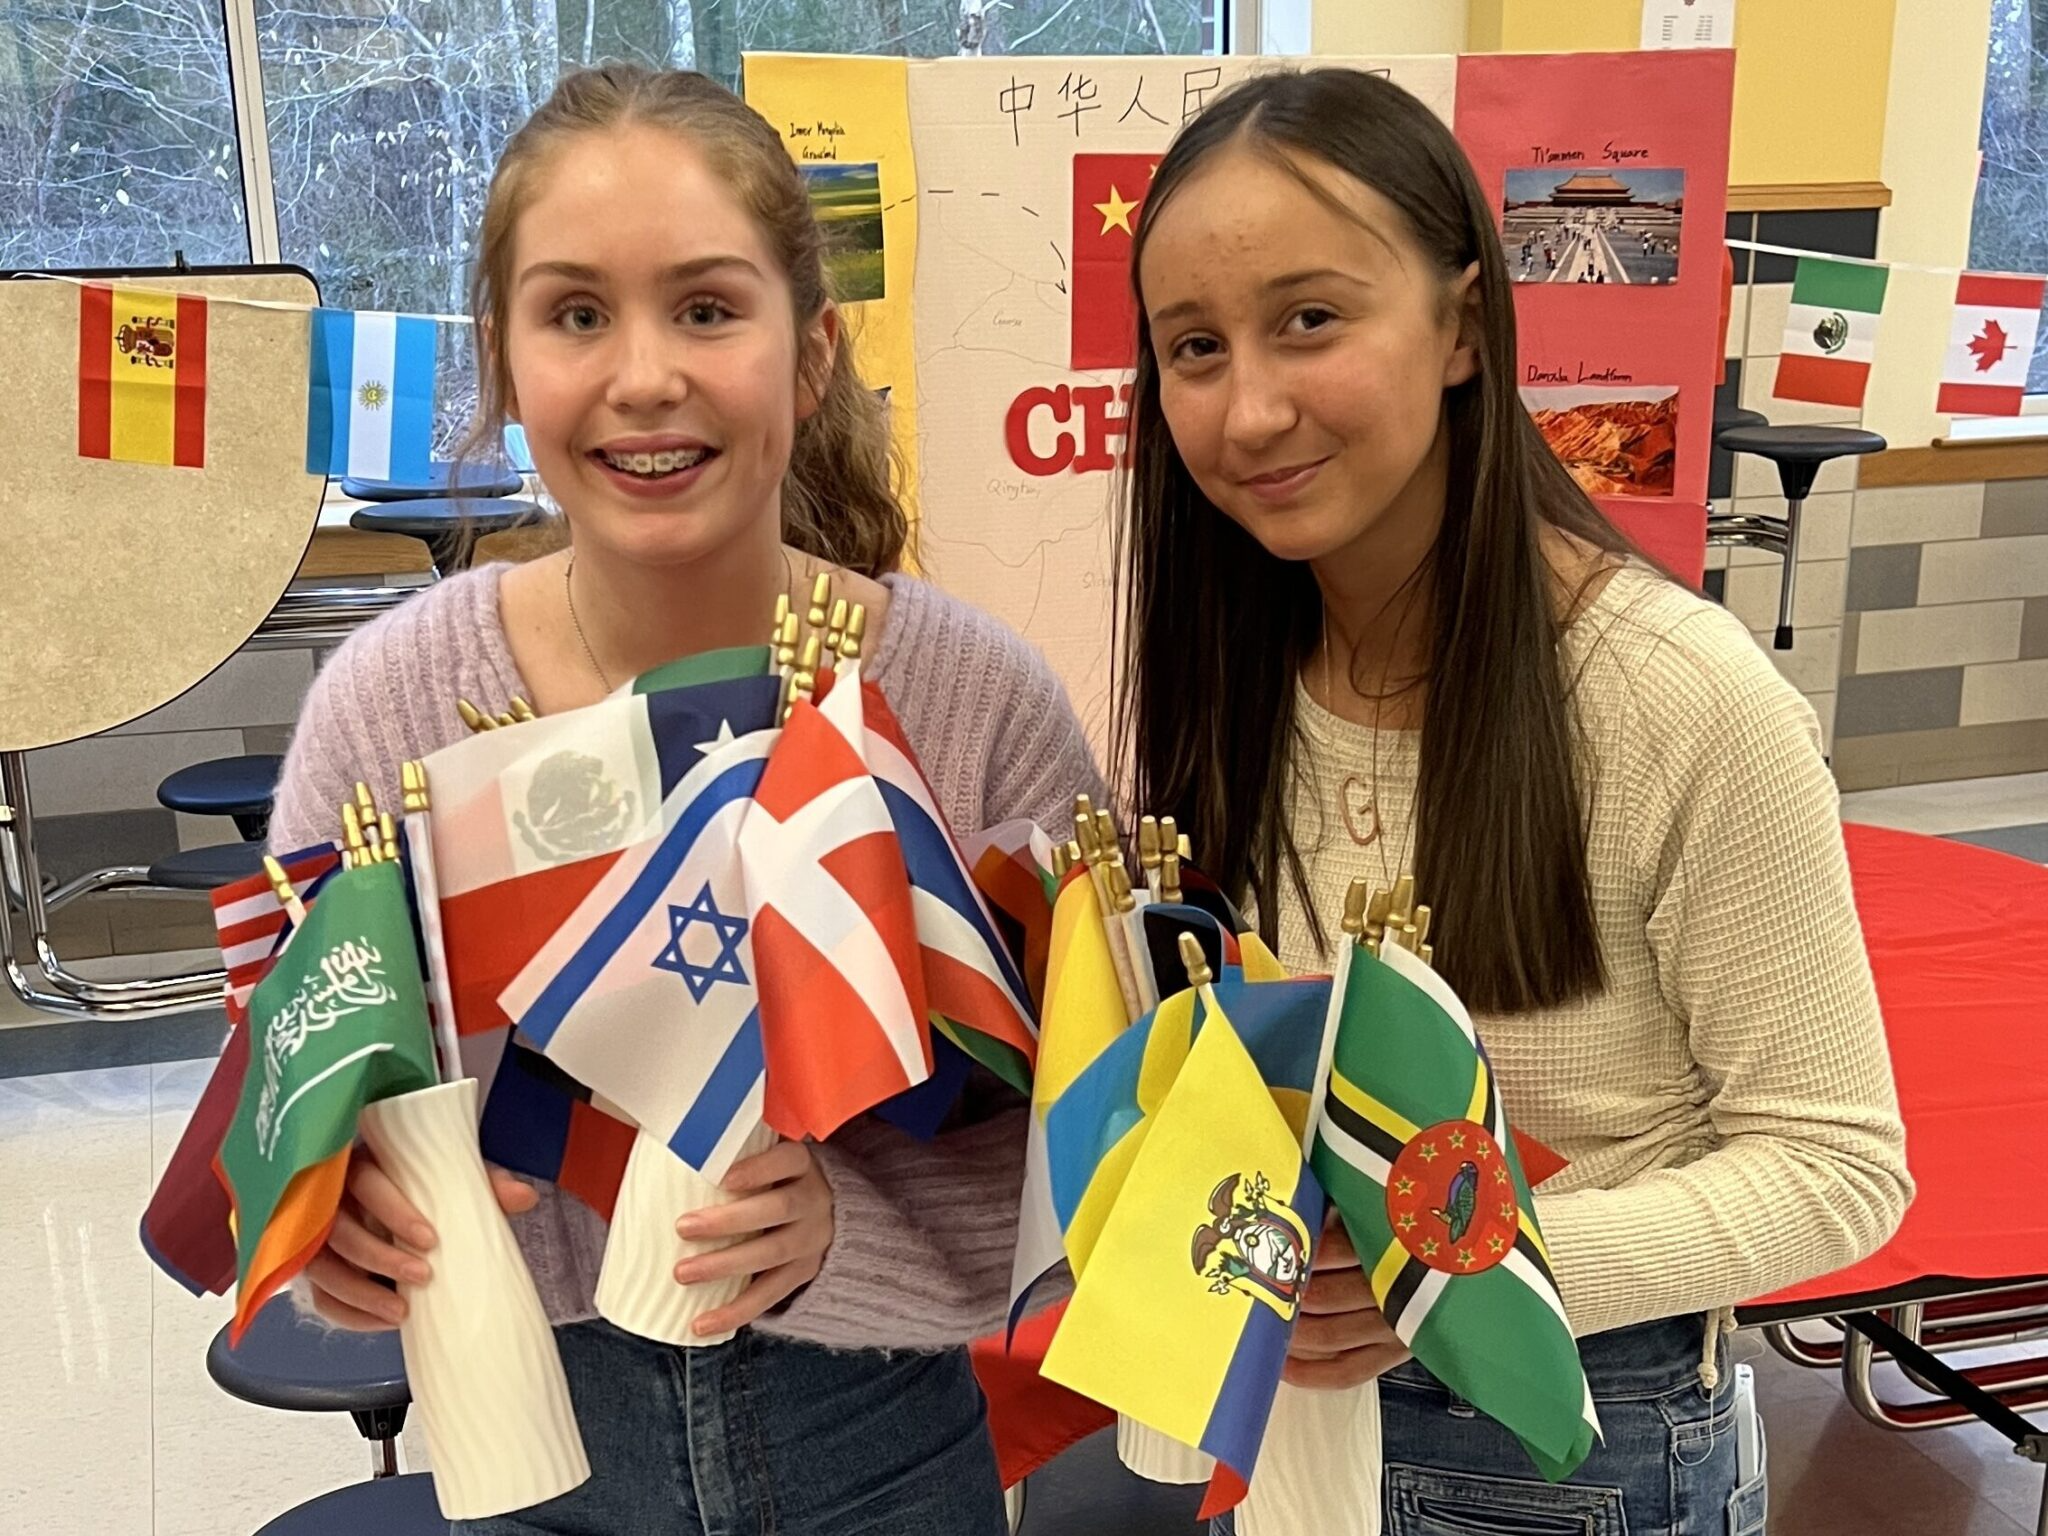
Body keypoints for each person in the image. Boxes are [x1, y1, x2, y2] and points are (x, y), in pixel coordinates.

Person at [267, 62, 1100, 1536]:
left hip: (887, 1443)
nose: (644, 375)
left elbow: (1087, 1149)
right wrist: (335, 1237)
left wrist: (852, 1230)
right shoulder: (384, 712)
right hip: (531, 1436)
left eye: (708, 308)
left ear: (815, 352)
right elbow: (298, 1095)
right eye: (577, 313)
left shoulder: (976, 706)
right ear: (506, 365)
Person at [1112, 67, 1910, 1535]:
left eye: (1311, 319)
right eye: (1194, 348)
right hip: (1288, 1407)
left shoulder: (1679, 697)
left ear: (1463, 326)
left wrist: (1460, 1267)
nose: (1251, 407)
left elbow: (1837, 1169)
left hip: (1567, 1437)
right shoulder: (1237, 659)